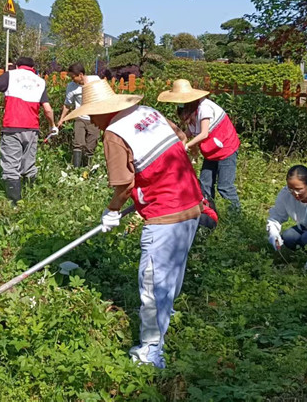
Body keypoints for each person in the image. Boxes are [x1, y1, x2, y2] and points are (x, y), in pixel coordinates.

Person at [63, 79, 203, 368]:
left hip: (165, 212)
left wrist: (112, 211)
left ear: (102, 112)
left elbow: (124, 185)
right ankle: (167, 314)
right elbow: (180, 141)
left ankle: (151, 350)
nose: (92, 122)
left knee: (152, 281)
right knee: (173, 269)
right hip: (192, 201)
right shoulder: (148, 112)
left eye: (91, 115)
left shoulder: (114, 134)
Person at [0, 56, 58, 204]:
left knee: (11, 165)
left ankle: (15, 203)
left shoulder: (11, 75)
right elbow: (48, 110)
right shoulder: (40, 81)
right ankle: (32, 197)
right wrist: (52, 126)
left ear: (18, 65)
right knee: (29, 164)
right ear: (33, 68)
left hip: (13, 126)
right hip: (32, 129)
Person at [158, 79, 241, 211]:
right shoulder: (188, 109)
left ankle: (236, 216)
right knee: (205, 183)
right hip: (211, 150)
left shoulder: (204, 108)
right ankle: (209, 212)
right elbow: (191, 131)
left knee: (224, 186)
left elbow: (203, 134)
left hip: (226, 148)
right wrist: (178, 142)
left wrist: (186, 146)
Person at [57, 63, 101, 168]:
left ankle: (86, 170)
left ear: (81, 75)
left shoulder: (95, 80)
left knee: (91, 146)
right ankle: (76, 169)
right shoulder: (71, 87)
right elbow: (67, 105)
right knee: (78, 143)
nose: (72, 80)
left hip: (95, 118)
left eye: (73, 77)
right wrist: (61, 119)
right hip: (80, 117)